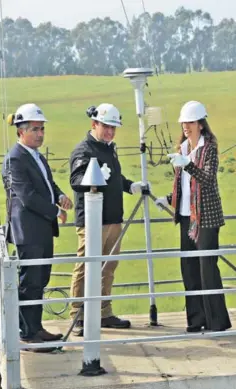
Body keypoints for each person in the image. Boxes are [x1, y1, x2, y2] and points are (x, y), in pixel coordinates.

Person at [69, 103, 148, 335]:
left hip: (113, 218)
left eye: (114, 128)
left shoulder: (109, 148)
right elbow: (76, 180)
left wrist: (129, 185)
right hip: (92, 221)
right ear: (94, 124)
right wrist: (93, 178)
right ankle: (78, 315)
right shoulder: (83, 150)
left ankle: (104, 311)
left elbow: (114, 177)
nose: (110, 132)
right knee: (86, 267)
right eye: (106, 127)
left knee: (108, 267)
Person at [155, 101, 232, 333]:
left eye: (189, 122)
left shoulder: (208, 148)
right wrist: (168, 199)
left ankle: (216, 321)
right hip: (187, 217)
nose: (185, 127)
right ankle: (196, 319)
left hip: (206, 218)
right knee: (188, 268)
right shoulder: (183, 148)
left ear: (200, 123)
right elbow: (184, 186)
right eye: (183, 123)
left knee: (206, 268)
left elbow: (207, 179)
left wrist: (188, 165)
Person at [2, 103, 73, 352]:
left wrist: (60, 195)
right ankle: (28, 333)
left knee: (40, 280)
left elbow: (48, 184)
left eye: (42, 129)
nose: (40, 134)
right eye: (35, 129)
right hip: (28, 232)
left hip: (41, 230)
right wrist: (55, 211)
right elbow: (27, 196)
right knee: (30, 281)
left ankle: (36, 328)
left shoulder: (36, 156)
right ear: (21, 131)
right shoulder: (15, 159)